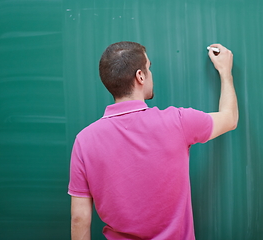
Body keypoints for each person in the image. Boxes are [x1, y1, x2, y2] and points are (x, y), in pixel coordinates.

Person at [68, 41, 238, 240]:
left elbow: (79, 219)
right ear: (140, 76)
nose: (151, 74)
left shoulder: (84, 141)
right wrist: (225, 72)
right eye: (149, 68)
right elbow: (230, 118)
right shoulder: (178, 122)